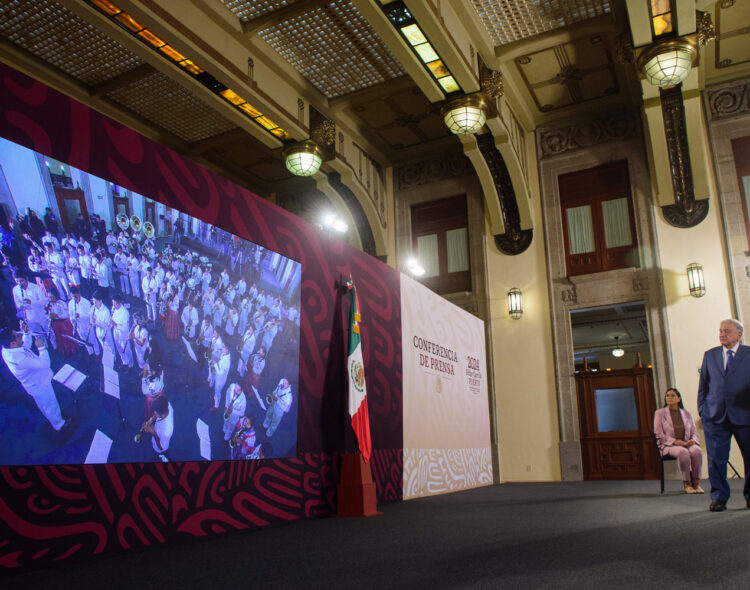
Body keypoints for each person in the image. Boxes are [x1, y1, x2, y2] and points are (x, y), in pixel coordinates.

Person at [698, 318, 750, 512]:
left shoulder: (749, 354)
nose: (722, 334)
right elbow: (703, 386)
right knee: (716, 460)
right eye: (720, 330)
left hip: (745, 415)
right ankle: (719, 497)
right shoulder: (710, 355)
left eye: (727, 331)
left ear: (739, 334)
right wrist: (703, 411)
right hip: (715, 417)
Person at [1, 328, 67, 431]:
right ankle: (61, 427)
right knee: (50, 406)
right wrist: (41, 348)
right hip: (39, 385)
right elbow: (45, 364)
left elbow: (25, 346)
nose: (20, 335)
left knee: (49, 405)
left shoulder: (8, 349)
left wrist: (26, 333)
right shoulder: (19, 359)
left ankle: (56, 418)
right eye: (18, 336)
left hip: (38, 380)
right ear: (13, 343)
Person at [654, 388, 703, 493]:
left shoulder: (687, 413)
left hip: (686, 443)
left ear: (679, 399)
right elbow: (658, 433)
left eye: (672, 395)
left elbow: (694, 432)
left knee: (697, 451)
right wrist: (675, 441)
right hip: (668, 446)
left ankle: (696, 483)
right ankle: (687, 483)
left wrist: (693, 441)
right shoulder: (660, 413)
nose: (669, 398)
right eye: (667, 395)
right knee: (683, 452)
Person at [142, 395, 173, 462]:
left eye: (156, 414)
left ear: (163, 416)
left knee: (160, 453)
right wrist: (152, 420)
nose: (154, 415)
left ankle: (162, 457)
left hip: (161, 448)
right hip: (157, 438)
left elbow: (161, 447)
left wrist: (153, 432)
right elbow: (156, 415)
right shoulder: (167, 405)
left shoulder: (167, 431)